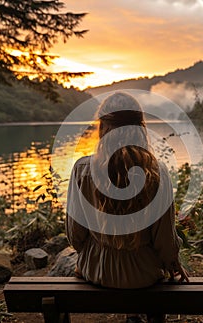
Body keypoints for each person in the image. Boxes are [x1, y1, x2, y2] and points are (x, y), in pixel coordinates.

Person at [66, 92, 189, 323]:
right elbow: (164, 240)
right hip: (144, 274)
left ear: (102, 128)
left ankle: (132, 316)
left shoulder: (81, 169)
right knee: (159, 271)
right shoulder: (157, 172)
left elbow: (75, 237)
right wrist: (173, 262)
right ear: (140, 128)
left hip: (96, 270)